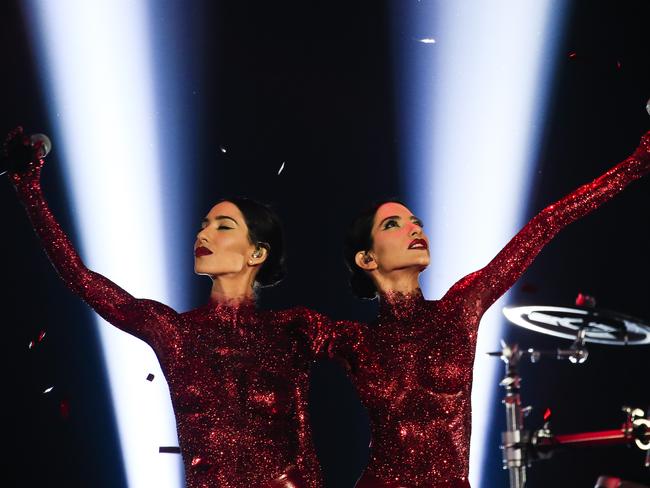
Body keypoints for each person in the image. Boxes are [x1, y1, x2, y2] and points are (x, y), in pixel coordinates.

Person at [5, 127, 329, 488]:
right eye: (203, 226)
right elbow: (80, 278)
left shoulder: (294, 328)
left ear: (257, 252)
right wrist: (29, 189)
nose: (203, 235)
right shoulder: (174, 331)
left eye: (223, 226)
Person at [334, 130, 650, 487]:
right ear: (366, 258)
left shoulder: (457, 310)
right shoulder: (349, 339)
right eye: (393, 224)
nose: (414, 228)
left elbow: (545, 225)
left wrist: (636, 164)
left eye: (416, 222)